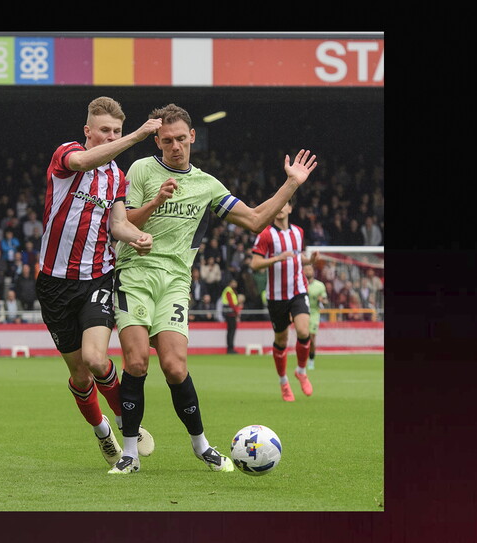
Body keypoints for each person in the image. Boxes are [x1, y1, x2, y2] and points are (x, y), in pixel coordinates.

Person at [109, 102, 317, 474]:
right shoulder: (141, 169)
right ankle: (130, 453)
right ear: (157, 141)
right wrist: (157, 201)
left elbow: (255, 220)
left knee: (174, 367)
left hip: (175, 280)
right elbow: (123, 221)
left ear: (192, 137)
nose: (175, 146)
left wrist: (291, 184)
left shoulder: (206, 185)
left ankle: (201, 446)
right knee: (137, 361)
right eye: (167, 140)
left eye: (180, 139)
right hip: (135, 272)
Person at [36, 96, 162, 468]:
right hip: (54, 284)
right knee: (78, 374)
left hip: (97, 278)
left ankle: (126, 423)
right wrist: (138, 136)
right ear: (88, 132)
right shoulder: (67, 156)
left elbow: (118, 223)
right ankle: (102, 432)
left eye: (117, 132)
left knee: (95, 358)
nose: (110, 137)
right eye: (104, 131)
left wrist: (135, 236)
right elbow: (84, 160)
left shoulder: (116, 178)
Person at [249, 199, 318, 401]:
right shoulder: (266, 234)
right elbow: (255, 264)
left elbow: (297, 257)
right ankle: (283, 382)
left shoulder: (298, 232)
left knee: (304, 331)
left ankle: (301, 371)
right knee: (282, 340)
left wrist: (310, 260)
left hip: (298, 290)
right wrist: (277, 258)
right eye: (277, 206)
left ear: (290, 208)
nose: (280, 209)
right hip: (276, 295)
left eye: (284, 205)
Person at [303, 263, 328, 370]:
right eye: (306, 270)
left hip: (314, 313)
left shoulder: (320, 285)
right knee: (303, 338)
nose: (308, 271)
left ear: (313, 272)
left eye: (310, 269)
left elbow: (326, 300)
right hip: (302, 313)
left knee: (311, 338)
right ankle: (302, 361)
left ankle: (311, 360)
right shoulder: (299, 285)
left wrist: (322, 300)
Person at [219, 277, 242, 354]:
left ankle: (230, 348)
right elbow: (231, 303)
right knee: (231, 330)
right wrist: (236, 312)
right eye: (234, 283)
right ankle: (230, 348)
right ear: (230, 283)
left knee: (230, 331)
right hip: (230, 313)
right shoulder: (229, 291)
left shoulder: (230, 291)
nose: (235, 284)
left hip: (229, 312)